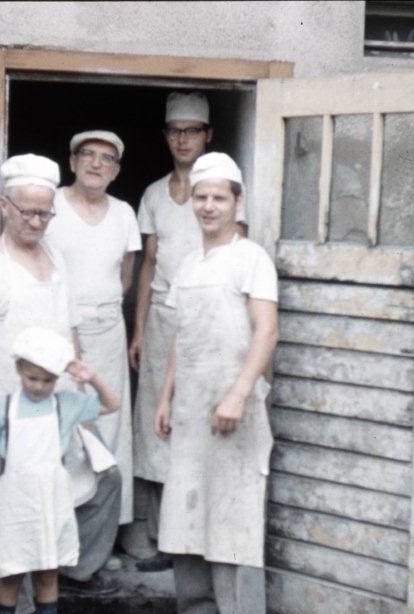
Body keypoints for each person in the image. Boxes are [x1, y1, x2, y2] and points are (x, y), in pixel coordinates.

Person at [0, 153, 120, 614]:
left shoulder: (56, 260)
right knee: (8, 509)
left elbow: (69, 328)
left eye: (45, 213)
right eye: (26, 211)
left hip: (58, 404)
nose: (36, 221)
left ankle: (62, 574)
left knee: (94, 483)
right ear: (4, 206)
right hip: (8, 407)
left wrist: (81, 387)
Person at [152, 153, 278, 614]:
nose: (208, 206)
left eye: (219, 197)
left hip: (234, 409)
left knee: (233, 520)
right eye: (201, 197)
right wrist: (165, 397)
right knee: (185, 511)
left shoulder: (251, 258)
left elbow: (266, 332)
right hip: (191, 407)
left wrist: (238, 394)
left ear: (237, 202)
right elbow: (183, 336)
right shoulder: (188, 263)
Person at [127, 92, 246, 571]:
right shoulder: (155, 194)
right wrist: (137, 330)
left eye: (192, 130)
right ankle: (159, 536)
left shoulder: (220, 195)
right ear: (165, 137)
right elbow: (149, 263)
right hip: (160, 319)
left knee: (196, 422)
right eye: (175, 130)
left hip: (207, 318)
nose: (183, 139)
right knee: (156, 423)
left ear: (208, 135)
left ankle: (193, 538)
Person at [0, 326, 121, 614]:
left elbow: (113, 404)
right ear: (20, 369)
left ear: (56, 380)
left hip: (51, 501)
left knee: (47, 574)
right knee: (10, 572)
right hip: (15, 501)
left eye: (47, 380)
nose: (38, 386)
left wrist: (91, 376)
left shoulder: (66, 406)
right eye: (32, 378)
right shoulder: (3, 409)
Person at [44, 131, 141, 554]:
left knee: (112, 426)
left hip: (108, 328)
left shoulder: (123, 213)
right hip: (60, 332)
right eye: (88, 155)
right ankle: (61, 544)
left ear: (117, 171)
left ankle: (103, 543)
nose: (96, 164)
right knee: (69, 427)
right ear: (72, 161)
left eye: (107, 159)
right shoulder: (52, 207)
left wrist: (103, 311)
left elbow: (127, 273)